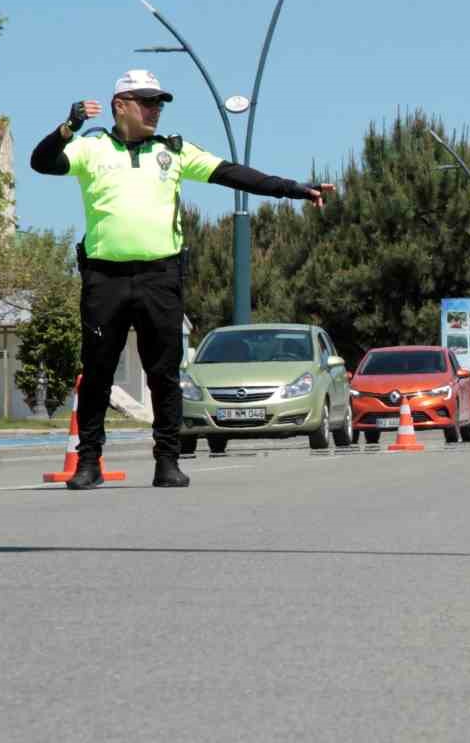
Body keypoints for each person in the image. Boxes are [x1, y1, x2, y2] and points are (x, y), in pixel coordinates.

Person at [29, 69, 334, 491]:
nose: (155, 110)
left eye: (159, 103)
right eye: (146, 101)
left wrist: (294, 189)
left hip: (160, 276)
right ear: (121, 105)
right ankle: (89, 462)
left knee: (165, 374)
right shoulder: (90, 146)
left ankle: (168, 460)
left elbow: (234, 174)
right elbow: (42, 163)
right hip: (105, 278)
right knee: (97, 372)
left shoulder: (172, 151)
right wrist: (68, 127)